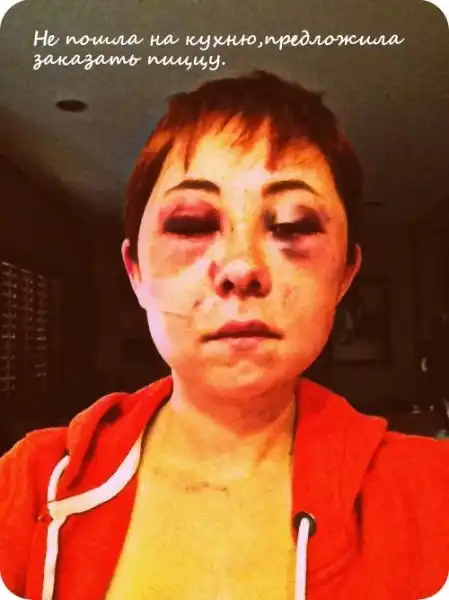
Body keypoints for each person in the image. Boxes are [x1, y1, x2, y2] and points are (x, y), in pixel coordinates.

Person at [0, 71, 448, 600]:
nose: (241, 266)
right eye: (191, 224)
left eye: (294, 226)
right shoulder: (28, 487)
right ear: (135, 272)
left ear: (345, 276)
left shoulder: (432, 493)